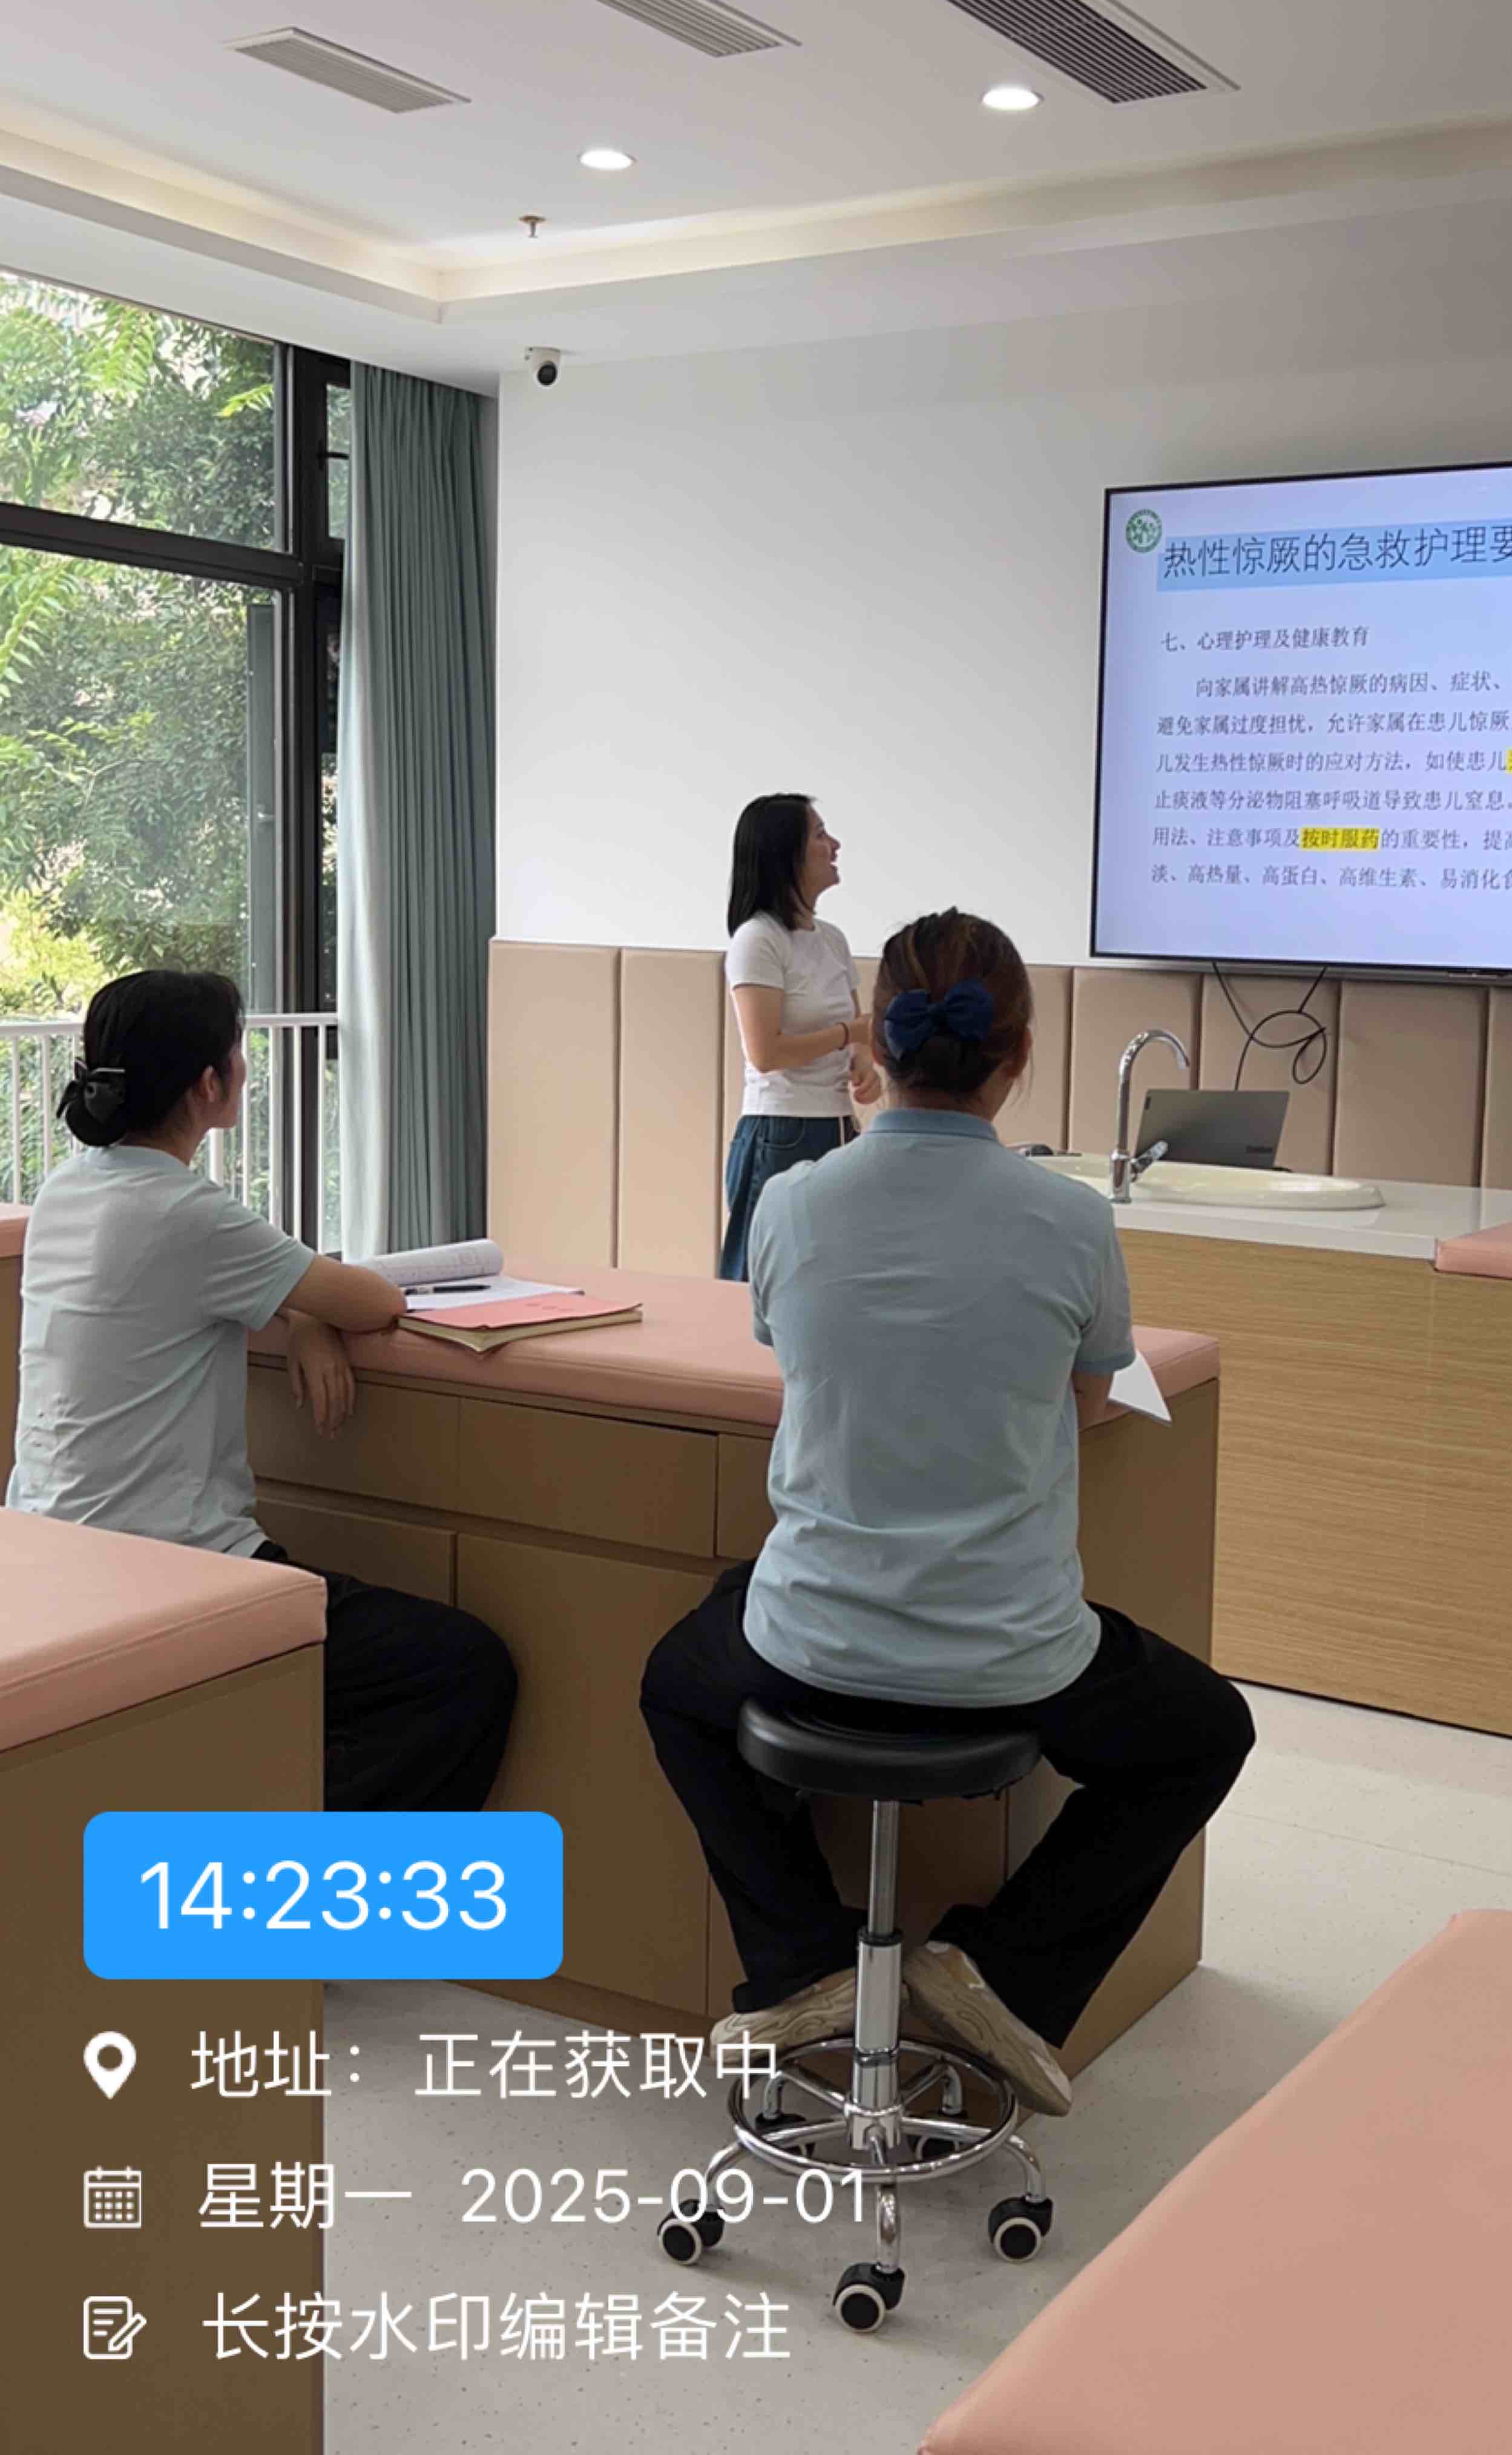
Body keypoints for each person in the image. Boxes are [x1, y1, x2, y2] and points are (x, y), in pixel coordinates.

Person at [641, 910, 1254, 2117]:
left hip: (812, 1644)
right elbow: (1088, 1398)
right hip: (1009, 1660)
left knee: (679, 1681)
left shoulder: (793, 1205)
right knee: (1204, 1731)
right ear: (1015, 1055)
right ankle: (1000, 1971)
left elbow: (794, 1345)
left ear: (875, 1042)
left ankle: (801, 1960)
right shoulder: (1071, 1220)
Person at [8, 969, 517, 1812]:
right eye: (238, 1055)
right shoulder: (185, 1212)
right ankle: (296, 1878)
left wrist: (300, 1309)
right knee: (462, 1669)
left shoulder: (65, 1191)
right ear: (209, 1084)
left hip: (53, 1550)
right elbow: (374, 1302)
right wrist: (312, 1311)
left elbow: (254, 1286)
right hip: (173, 1569)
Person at [720, 794, 879, 1281]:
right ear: (785, 852)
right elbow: (766, 1052)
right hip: (780, 1132)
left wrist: (864, 1060)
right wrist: (849, 1034)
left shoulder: (832, 939)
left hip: (838, 1128)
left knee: (829, 1279)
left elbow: (856, 1031)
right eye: (820, 835)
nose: (835, 845)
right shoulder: (757, 939)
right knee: (762, 1282)